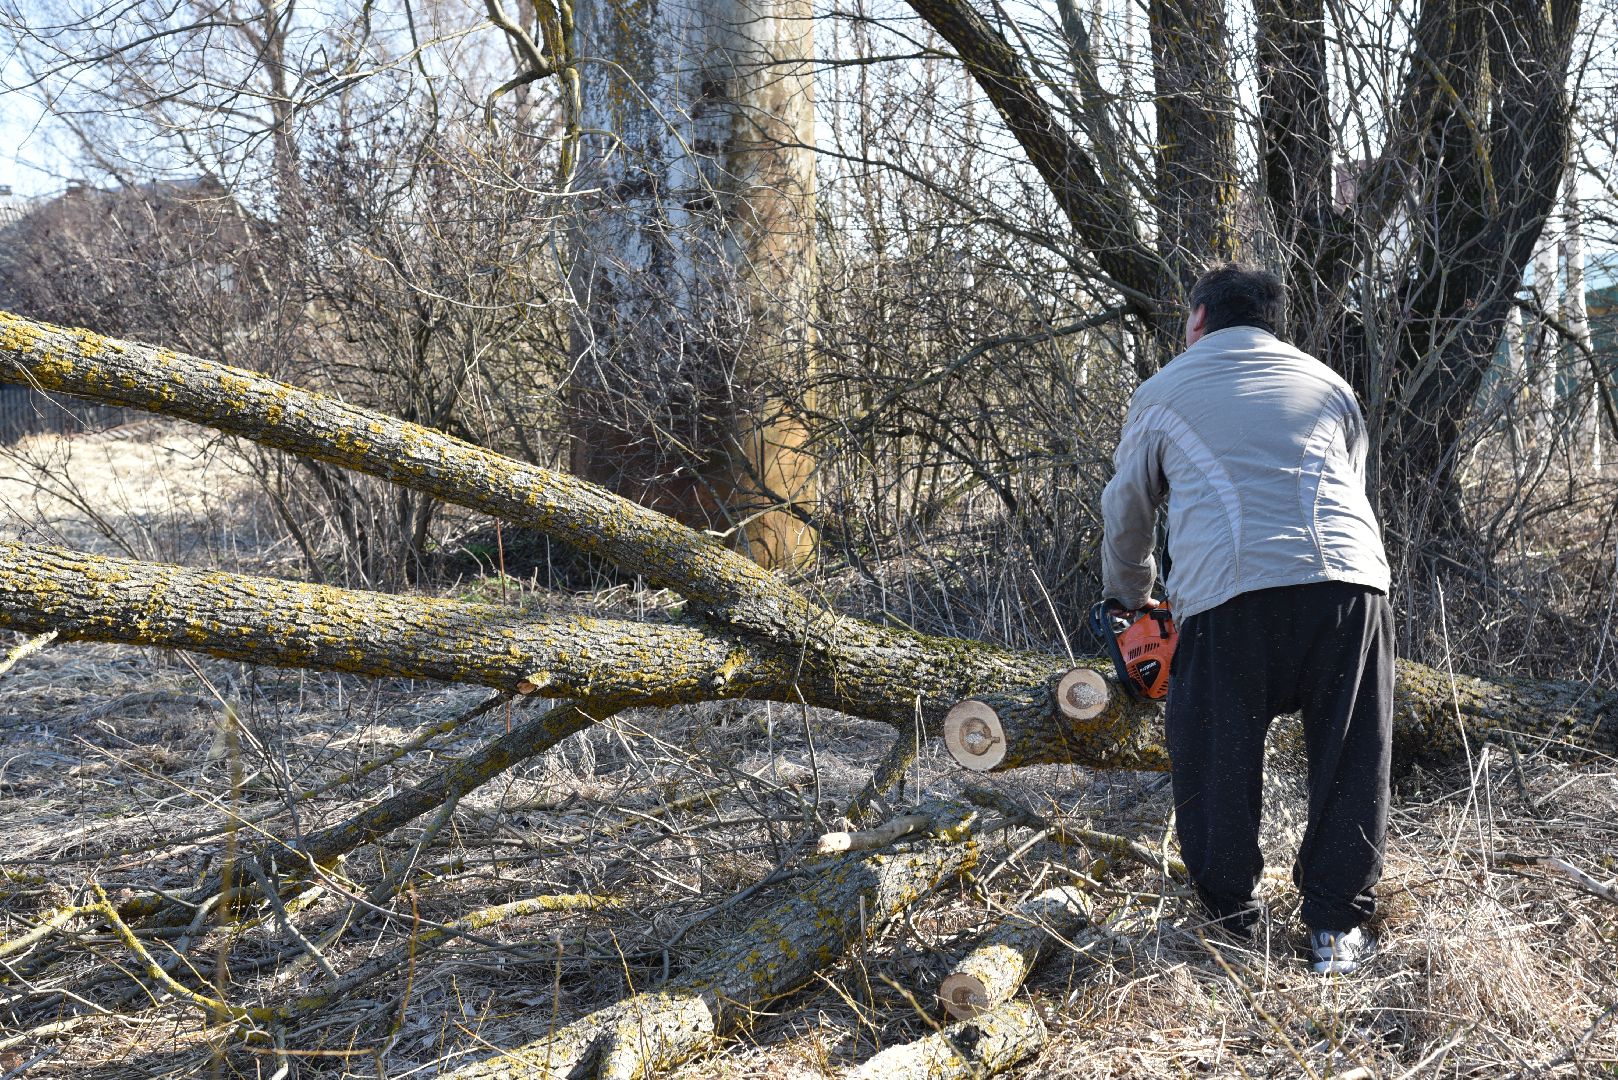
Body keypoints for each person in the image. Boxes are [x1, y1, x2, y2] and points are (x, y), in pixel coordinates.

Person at [1100, 264, 1393, 975]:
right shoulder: (1331, 386)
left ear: (1198, 319)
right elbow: (1348, 481)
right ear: (1272, 322)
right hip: (1350, 588)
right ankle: (1335, 929)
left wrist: (1130, 597)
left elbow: (1127, 511)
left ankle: (1232, 920)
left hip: (1231, 600)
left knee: (1217, 753)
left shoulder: (1163, 391)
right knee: (1352, 754)